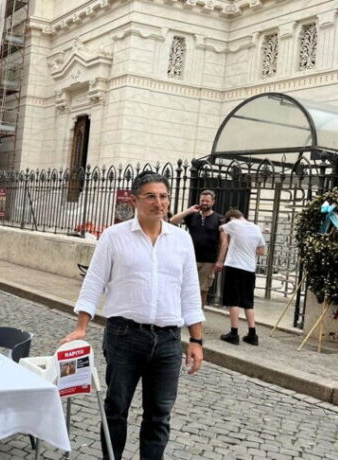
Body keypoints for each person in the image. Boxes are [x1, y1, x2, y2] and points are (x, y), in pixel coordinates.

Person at [61, 171, 205, 460]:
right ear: (135, 199)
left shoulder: (181, 241)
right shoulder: (115, 237)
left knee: (159, 415)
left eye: (163, 196)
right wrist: (81, 327)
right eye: (150, 196)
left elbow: (190, 291)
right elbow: (94, 283)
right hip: (124, 336)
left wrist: (197, 340)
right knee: (116, 409)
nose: (158, 202)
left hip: (167, 341)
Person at [216, 209, 267, 346]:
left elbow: (221, 228)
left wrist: (225, 228)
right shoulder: (256, 228)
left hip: (234, 266)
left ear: (232, 217)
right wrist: (249, 248)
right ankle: (252, 334)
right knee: (248, 302)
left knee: (234, 301)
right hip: (249, 269)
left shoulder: (233, 224)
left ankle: (234, 333)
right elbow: (262, 251)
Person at [170, 190, 224, 306]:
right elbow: (173, 220)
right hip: (190, 258)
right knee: (185, 287)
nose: (204, 203)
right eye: (202, 200)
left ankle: (198, 315)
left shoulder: (219, 219)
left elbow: (224, 241)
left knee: (202, 290)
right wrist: (189, 210)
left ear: (213, 202)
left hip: (209, 260)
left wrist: (220, 260)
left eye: (207, 201)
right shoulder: (192, 216)